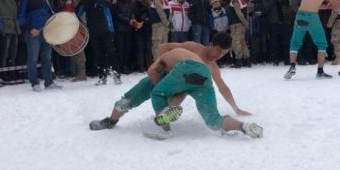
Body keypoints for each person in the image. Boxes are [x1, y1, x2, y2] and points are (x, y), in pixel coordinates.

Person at [89, 33, 258, 136]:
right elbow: (164, 46)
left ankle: (243, 127)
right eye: (218, 51)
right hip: (167, 73)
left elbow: (222, 87)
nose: (219, 55)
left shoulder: (212, 67)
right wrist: (163, 64)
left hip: (190, 83)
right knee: (132, 97)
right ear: (211, 44)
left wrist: (236, 108)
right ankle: (111, 121)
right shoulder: (193, 47)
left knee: (203, 114)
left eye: (224, 54)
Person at [284, 0, 340, 79]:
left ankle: (292, 67)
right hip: (312, 17)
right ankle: (320, 71)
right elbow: (336, 7)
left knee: (295, 42)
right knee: (322, 44)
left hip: (300, 15)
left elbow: (312, 4)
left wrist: (324, 7)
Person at [17, 0, 62, 92]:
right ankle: (34, 83)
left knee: (47, 57)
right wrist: (30, 28)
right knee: (33, 58)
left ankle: (49, 82)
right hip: (33, 33)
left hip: (46, 32)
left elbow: (49, 12)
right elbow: (20, 16)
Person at [76, 0, 122, 85]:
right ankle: (102, 76)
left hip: (106, 29)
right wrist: (82, 1)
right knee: (98, 54)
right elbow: (78, 12)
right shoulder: (85, 0)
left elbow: (107, 4)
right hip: (93, 30)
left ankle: (116, 75)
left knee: (111, 53)